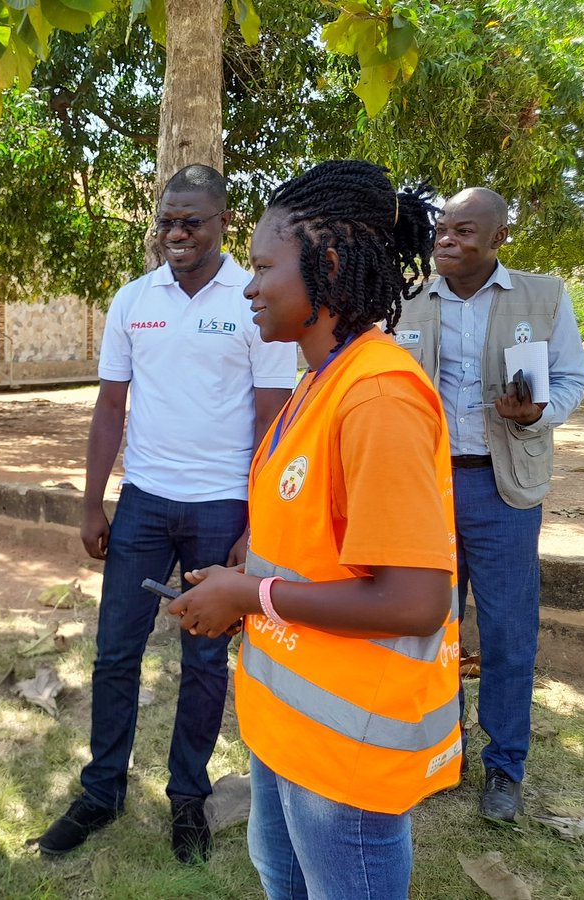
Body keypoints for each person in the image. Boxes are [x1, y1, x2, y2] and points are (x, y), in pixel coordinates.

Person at [168, 160, 461, 899]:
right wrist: (238, 592)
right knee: (281, 879)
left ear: (326, 267)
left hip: (346, 749)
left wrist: (251, 595)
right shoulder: (319, 381)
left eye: (264, 266)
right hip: (286, 725)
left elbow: (414, 603)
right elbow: (306, 554)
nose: (249, 285)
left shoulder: (378, 398)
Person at [30, 165, 296, 863]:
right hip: (144, 503)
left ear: (222, 223)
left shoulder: (252, 299)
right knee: (115, 650)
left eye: (192, 222)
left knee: (205, 659)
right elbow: (111, 405)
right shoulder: (132, 300)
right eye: (167, 220)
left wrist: (253, 524)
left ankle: (188, 798)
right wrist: (94, 502)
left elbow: (274, 422)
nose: (176, 234)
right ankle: (102, 790)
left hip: (221, 509)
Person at [398, 187, 584, 822]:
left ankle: (505, 768)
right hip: (425, 490)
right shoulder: (405, 301)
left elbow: (570, 379)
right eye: (443, 228)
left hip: (503, 489)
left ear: (499, 239)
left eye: (466, 230)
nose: (448, 239)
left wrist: (539, 414)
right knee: (433, 625)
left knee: (509, 634)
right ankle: (440, 751)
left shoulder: (543, 295)